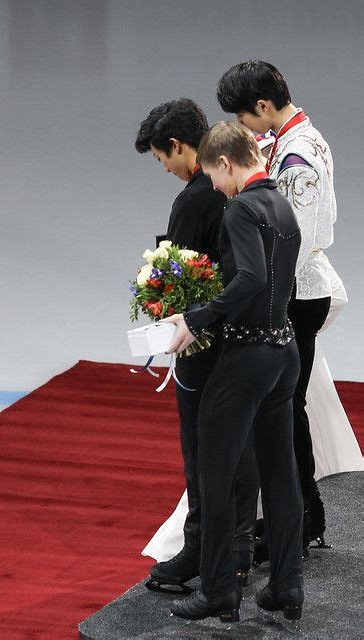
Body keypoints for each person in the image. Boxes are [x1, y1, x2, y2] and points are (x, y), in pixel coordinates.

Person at [164, 121, 304, 623]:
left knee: (215, 471)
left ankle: (220, 588)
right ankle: (287, 585)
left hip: (246, 357)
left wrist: (195, 317)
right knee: (280, 472)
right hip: (284, 352)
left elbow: (251, 277)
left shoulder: (242, 207)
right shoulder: (283, 204)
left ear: (225, 163)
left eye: (214, 176)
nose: (215, 188)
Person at [216, 59, 349, 550]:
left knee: (284, 410)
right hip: (294, 288)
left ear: (265, 106)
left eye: (244, 117)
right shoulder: (295, 140)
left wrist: (257, 295)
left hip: (296, 291)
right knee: (286, 408)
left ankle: (301, 521)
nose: (242, 127)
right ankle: (299, 517)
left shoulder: (298, 156)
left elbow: (299, 237)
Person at [134, 99, 259, 593]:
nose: (164, 166)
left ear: (179, 145)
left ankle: (200, 554)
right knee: (243, 449)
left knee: (203, 451)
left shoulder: (193, 200)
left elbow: (182, 279)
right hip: (253, 337)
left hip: (204, 345)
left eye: (162, 157)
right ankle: (242, 550)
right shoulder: (246, 186)